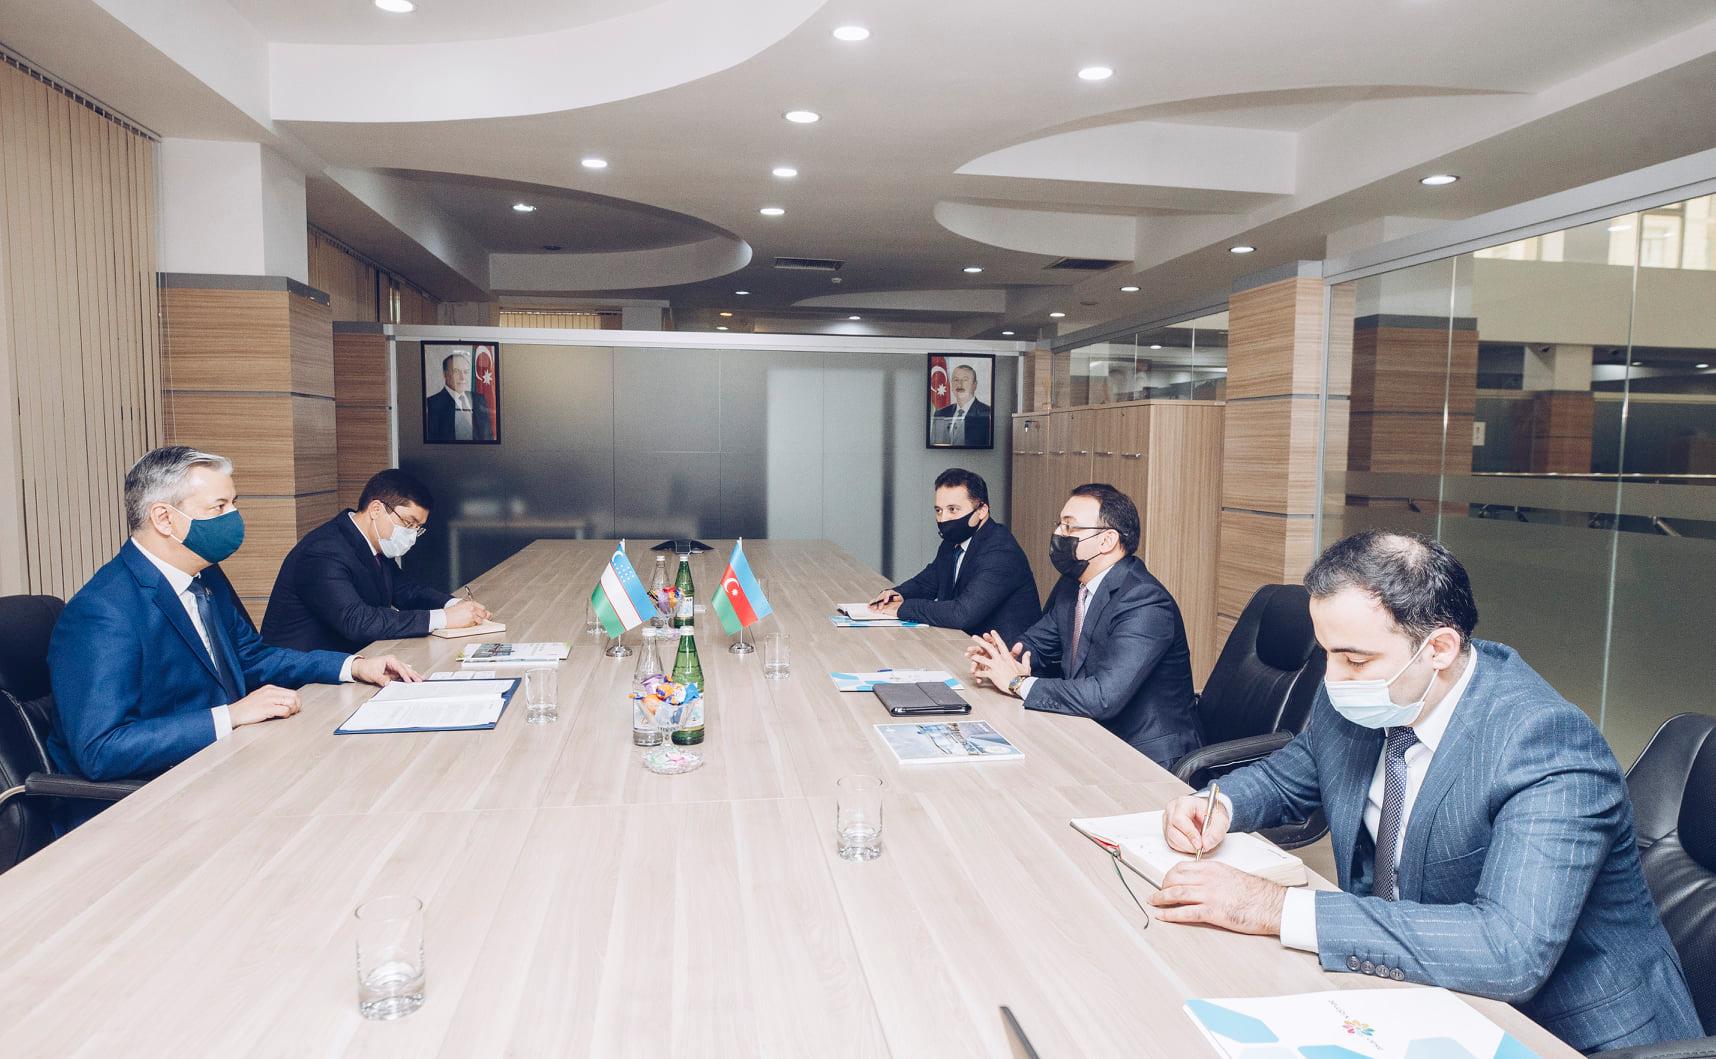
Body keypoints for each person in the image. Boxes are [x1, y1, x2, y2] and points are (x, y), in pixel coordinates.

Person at [1150, 530, 1701, 1055]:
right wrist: (1218, 804)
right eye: (1327, 655)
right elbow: (1288, 774)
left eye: (1354, 659)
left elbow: (1508, 950)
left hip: (1564, 1031)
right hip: (1415, 992)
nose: (1333, 679)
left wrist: (1273, 906)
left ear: (1438, 648)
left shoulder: (1545, 742)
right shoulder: (1364, 692)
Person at [46, 447, 422, 818]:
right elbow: (101, 750)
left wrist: (352, 666)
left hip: (227, 766)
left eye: (234, 504)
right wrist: (231, 715)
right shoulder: (104, 611)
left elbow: (251, 657)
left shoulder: (204, 576)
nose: (234, 517)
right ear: (164, 518)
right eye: (219, 507)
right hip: (156, 802)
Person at [967, 482, 1200, 767]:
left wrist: (1017, 683)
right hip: (1089, 734)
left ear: (1107, 540)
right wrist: (1001, 658)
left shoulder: (1144, 600)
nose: (1058, 534)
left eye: (1069, 526)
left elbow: (1103, 696)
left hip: (1144, 757)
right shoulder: (1073, 586)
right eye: (1059, 525)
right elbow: (1038, 642)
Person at [263, 469, 492, 653]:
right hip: (302, 681)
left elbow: (407, 591)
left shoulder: (372, 543)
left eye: (417, 528)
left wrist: (454, 605)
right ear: (376, 509)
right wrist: (443, 618)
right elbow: (357, 621)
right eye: (408, 523)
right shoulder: (323, 552)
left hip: (351, 664)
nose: (412, 535)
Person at [867, 468, 1040, 645]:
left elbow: (962, 614)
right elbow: (928, 582)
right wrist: (898, 594)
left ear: (981, 510)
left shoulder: (1002, 552)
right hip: (965, 644)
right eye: (939, 510)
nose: (943, 519)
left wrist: (902, 608)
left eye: (953, 509)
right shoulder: (953, 542)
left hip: (1008, 655)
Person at [425, 351, 493, 442]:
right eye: (456, 371)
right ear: (445, 375)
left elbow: (488, 437)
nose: (462, 378)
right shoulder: (432, 404)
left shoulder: (479, 399)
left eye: (465, 372)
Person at [931, 364, 992, 447]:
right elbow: (935, 445)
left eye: (965, 380)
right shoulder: (940, 414)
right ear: (951, 385)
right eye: (956, 380)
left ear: (974, 385)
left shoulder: (987, 413)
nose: (960, 384)